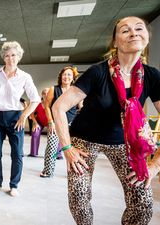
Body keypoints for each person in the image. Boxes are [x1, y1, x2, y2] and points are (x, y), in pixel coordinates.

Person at [52, 16, 160, 225]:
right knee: (79, 198)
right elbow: (59, 107)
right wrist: (67, 148)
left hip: (124, 142)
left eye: (139, 28)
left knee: (143, 204)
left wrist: (155, 165)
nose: (134, 33)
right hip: (85, 139)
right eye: (125, 30)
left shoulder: (152, 76)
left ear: (147, 37)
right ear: (115, 41)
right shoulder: (98, 72)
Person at [0, 41, 40, 197]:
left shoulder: (25, 76)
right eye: (7, 55)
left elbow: (35, 99)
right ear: (3, 57)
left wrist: (24, 116)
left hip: (15, 118)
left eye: (13, 55)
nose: (10, 58)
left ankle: (14, 185)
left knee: (17, 153)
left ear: (18, 57)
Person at [40, 67, 80, 178]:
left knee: (72, 149)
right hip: (56, 123)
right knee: (51, 148)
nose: (66, 77)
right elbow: (47, 106)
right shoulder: (54, 89)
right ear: (60, 76)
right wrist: (50, 121)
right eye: (64, 74)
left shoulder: (76, 90)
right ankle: (48, 171)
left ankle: (73, 172)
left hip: (71, 124)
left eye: (69, 75)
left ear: (73, 78)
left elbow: (80, 107)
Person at [28, 88, 49, 157]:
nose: (46, 95)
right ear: (42, 95)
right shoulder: (38, 103)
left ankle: (57, 154)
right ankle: (33, 153)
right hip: (39, 121)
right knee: (35, 132)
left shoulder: (52, 103)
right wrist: (35, 123)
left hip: (50, 122)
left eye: (47, 93)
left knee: (54, 134)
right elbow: (31, 113)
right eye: (44, 93)